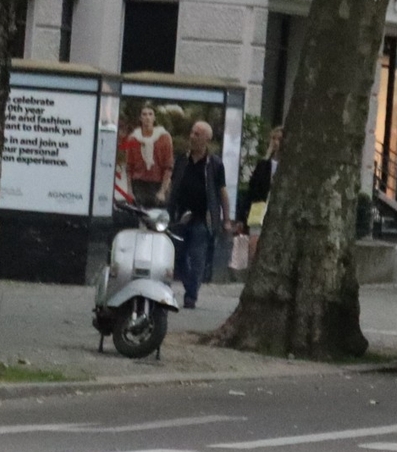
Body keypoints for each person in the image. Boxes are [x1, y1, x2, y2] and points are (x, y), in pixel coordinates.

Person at [167, 120, 233, 309]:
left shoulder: (214, 164)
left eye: (197, 134)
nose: (192, 137)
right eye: (192, 133)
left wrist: (226, 219)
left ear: (207, 139)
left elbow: (222, 192)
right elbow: (173, 184)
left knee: (197, 258)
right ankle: (190, 286)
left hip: (202, 218)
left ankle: (191, 296)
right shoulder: (182, 159)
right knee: (178, 257)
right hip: (181, 217)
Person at [121, 107, 173, 208]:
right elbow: (129, 167)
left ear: (154, 118)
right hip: (139, 184)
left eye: (150, 114)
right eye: (144, 114)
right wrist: (129, 190)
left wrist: (162, 191)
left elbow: (168, 166)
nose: (147, 117)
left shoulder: (164, 137)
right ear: (140, 118)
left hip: (157, 184)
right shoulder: (133, 138)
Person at [242, 126, 282, 237]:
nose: (275, 142)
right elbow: (253, 188)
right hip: (259, 210)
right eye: (273, 138)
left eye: (279, 139)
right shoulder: (263, 165)